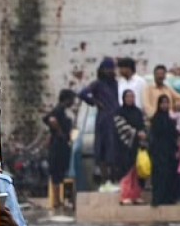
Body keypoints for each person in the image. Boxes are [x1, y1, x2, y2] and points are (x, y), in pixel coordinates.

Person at [79, 57, 120, 190]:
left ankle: (114, 180)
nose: (109, 71)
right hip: (103, 120)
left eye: (111, 69)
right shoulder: (97, 84)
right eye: (107, 69)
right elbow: (83, 94)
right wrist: (95, 102)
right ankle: (105, 180)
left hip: (115, 120)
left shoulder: (115, 84)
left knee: (115, 151)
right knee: (103, 150)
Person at [43, 89, 76, 207]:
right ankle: (57, 200)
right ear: (67, 100)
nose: (73, 102)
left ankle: (61, 199)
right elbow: (49, 119)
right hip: (58, 145)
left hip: (63, 144)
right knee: (57, 172)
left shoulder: (64, 111)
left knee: (62, 172)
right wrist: (59, 132)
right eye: (72, 99)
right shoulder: (59, 110)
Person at [115, 89, 147, 204]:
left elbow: (144, 123)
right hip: (124, 146)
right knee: (126, 170)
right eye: (128, 97)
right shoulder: (119, 112)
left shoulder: (138, 111)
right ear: (123, 99)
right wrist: (135, 132)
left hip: (137, 145)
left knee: (137, 170)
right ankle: (125, 195)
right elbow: (121, 126)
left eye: (132, 97)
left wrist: (143, 132)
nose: (130, 99)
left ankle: (136, 195)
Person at [148, 95, 180, 206]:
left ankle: (169, 199)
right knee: (159, 176)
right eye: (163, 103)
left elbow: (174, 137)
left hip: (170, 153)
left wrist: (176, 150)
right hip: (158, 153)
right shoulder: (155, 120)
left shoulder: (171, 121)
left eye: (167, 103)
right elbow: (153, 137)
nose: (165, 105)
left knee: (170, 175)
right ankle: (158, 199)